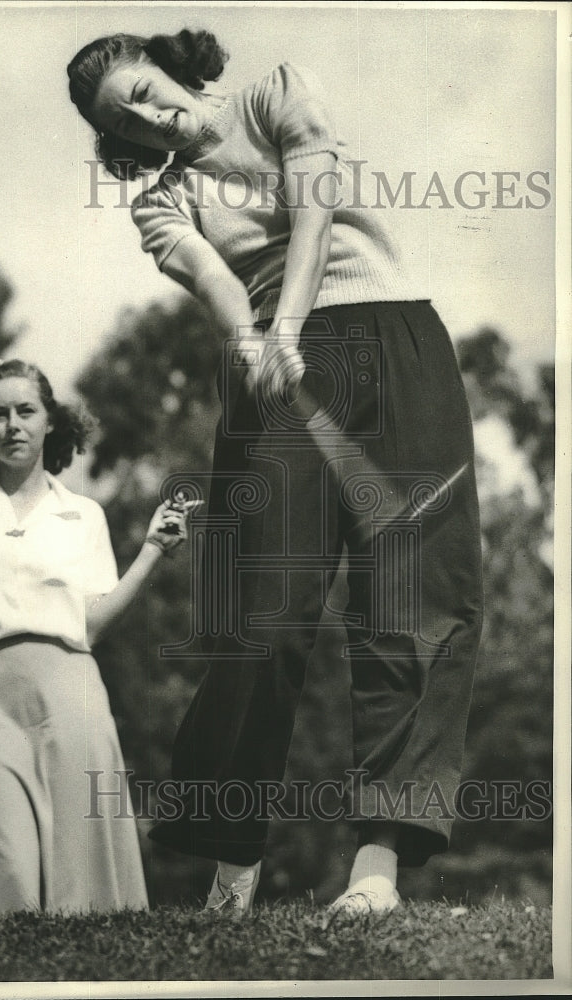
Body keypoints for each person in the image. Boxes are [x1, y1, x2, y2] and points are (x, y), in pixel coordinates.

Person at [67, 30, 483, 920]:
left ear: (170, 70)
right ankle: (233, 857)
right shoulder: (160, 207)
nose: (148, 116)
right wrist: (259, 340)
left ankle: (377, 867)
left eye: (144, 89)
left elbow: (315, 205)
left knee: (414, 605)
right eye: (125, 123)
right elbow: (221, 290)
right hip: (272, 377)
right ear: (123, 148)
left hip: (396, 343)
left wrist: (287, 323)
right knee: (261, 616)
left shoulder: (275, 94)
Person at [0, 357, 190, 916]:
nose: (12, 425)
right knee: (5, 863)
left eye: (25, 411)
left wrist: (153, 549)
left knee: (75, 878)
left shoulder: (82, 514)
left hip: (71, 693)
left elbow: (94, 622)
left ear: (51, 422)